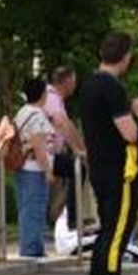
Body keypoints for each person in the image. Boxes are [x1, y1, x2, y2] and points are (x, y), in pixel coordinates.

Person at [80, 32, 138, 275]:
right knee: (117, 235)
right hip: (119, 172)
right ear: (126, 56)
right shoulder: (112, 87)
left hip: (98, 168)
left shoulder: (88, 85)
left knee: (106, 233)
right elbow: (129, 133)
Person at [13, 77, 56, 258]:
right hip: (34, 169)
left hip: (24, 168)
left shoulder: (23, 112)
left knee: (28, 208)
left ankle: (34, 248)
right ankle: (31, 251)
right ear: (42, 94)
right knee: (34, 209)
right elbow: (39, 145)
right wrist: (48, 171)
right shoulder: (37, 115)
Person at [45, 66, 87, 231]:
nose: (75, 85)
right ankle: (72, 219)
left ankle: (67, 217)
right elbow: (61, 123)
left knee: (74, 170)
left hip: (51, 152)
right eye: (74, 81)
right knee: (77, 169)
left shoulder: (56, 99)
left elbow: (68, 126)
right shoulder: (51, 98)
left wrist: (81, 147)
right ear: (67, 81)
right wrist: (78, 150)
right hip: (45, 153)